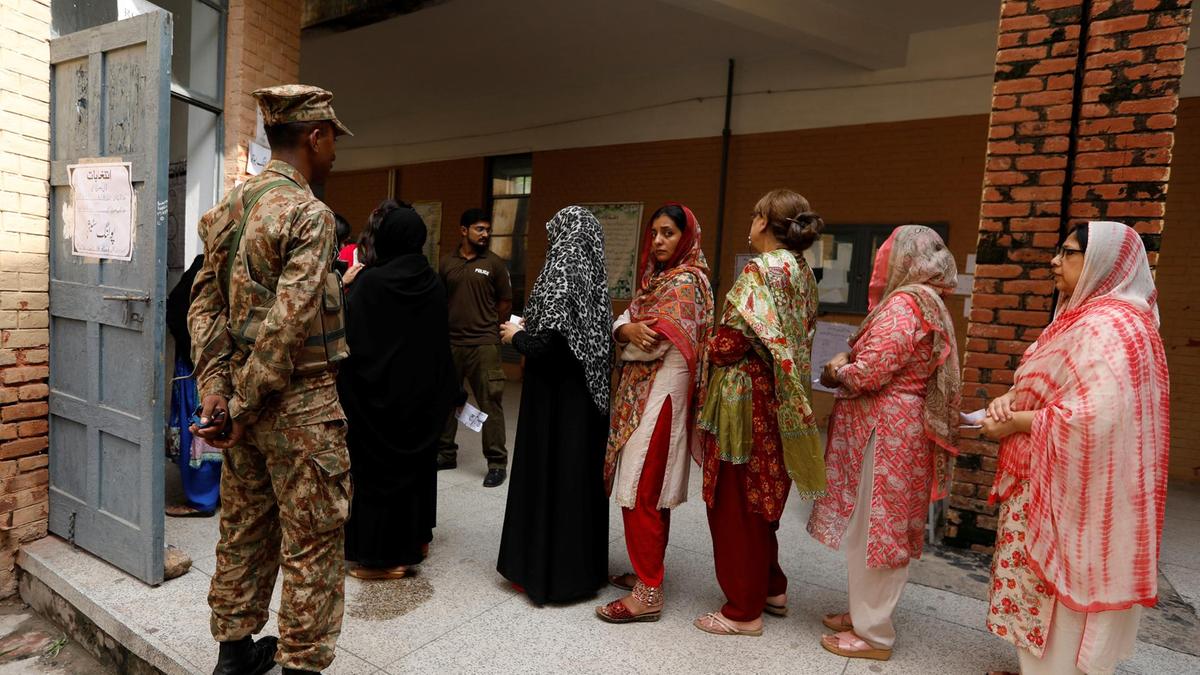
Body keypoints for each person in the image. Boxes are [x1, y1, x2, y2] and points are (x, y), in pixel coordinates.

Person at [188, 84, 353, 675]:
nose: (336, 152)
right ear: (314, 136)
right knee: (312, 545)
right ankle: (300, 666)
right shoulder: (310, 215)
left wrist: (219, 394)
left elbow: (202, 308)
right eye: (333, 139)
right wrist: (244, 401)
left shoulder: (226, 208)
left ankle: (233, 658)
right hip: (300, 406)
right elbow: (289, 321)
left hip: (240, 408)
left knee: (243, 531)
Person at [980, 221, 1169, 675]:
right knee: (1031, 585)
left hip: (1077, 493)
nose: (1054, 261)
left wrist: (1016, 424)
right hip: (1044, 479)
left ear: (1101, 261)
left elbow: (1093, 418)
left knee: (1059, 593)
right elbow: (1044, 382)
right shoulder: (1078, 314)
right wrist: (1010, 400)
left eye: (1068, 253)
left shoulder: (1114, 325)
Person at [807, 225, 961, 661]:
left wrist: (837, 368)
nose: (879, 264)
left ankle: (874, 635)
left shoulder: (905, 304)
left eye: (887, 255)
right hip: (894, 428)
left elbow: (871, 372)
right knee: (868, 529)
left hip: (888, 430)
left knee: (879, 532)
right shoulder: (926, 302)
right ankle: (863, 613)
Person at [693, 189, 825, 637]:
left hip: (743, 401)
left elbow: (731, 343)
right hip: (779, 399)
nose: (750, 222)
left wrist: (702, 345)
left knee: (735, 502)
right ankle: (771, 587)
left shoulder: (760, 271)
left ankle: (742, 611)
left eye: (755, 215)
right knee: (762, 496)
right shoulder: (804, 273)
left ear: (766, 222)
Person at [597, 203, 713, 623]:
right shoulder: (657, 281)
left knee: (641, 490)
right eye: (656, 233)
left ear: (686, 237)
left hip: (661, 394)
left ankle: (648, 593)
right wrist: (623, 327)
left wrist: (626, 330)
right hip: (648, 393)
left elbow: (652, 343)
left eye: (669, 233)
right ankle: (650, 575)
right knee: (650, 491)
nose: (660, 241)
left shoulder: (684, 283)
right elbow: (630, 322)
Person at [338, 206, 463, 580]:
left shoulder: (371, 282)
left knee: (375, 476)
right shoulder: (432, 282)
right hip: (420, 400)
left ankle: (380, 559)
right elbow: (440, 343)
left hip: (375, 400)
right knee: (414, 474)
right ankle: (414, 544)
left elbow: (352, 344)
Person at [496, 205, 612, 605]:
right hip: (586, 401)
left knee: (551, 478)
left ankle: (545, 573)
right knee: (577, 482)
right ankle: (581, 572)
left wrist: (515, 337)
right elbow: (582, 336)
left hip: (555, 401)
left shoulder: (561, 268)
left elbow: (551, 344)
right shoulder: (593, 272)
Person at [438, 208, 514, 487]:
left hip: (484, 345)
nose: (485, 234)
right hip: (452, 343)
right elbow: (441, 300)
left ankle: (496, 463)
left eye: (487, 229)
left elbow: (505, 302)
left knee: (490, 403)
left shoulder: (494, 264)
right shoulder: (447, 263)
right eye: (479, 229)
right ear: (463, 230)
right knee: (446, 399)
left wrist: (489, 325)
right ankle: (445, 454)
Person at [165, 254, 221, 518]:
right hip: (224, 364)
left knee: (202, 426)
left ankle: (202, 499)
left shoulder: (206, 265)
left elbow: (176, 309)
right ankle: (216, 495)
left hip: (200, 366)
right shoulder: (249, 263)